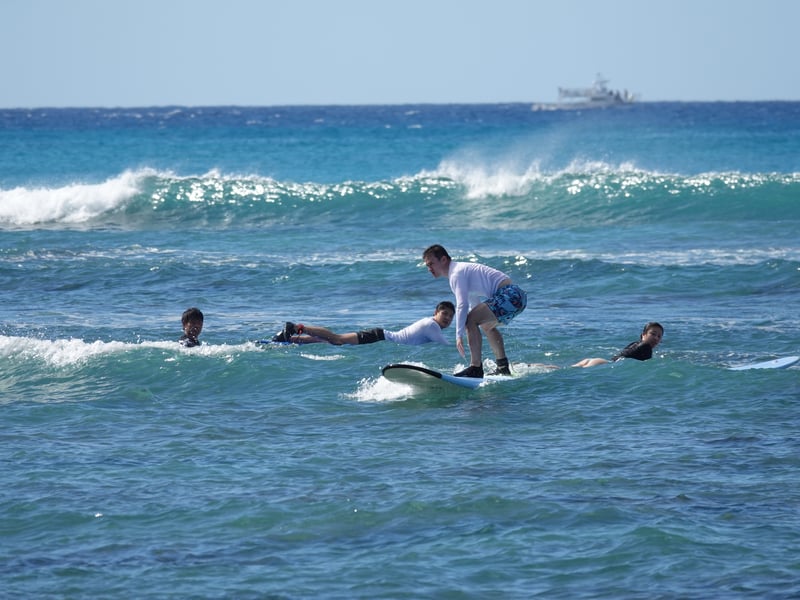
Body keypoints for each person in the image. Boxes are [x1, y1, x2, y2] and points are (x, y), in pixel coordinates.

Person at [422, 244, 527, 378]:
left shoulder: (456, 273)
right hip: (517, 297)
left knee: (470, 320)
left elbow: (462, 305)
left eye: (431, 264)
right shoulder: (460, 271)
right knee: (485, 325)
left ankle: (475, 367)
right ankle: (503, 367)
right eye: (427, 266)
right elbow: (474, 304)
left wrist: (459, 334)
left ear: (443, 259)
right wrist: (471, 325)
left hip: (510, 295)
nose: (429, 269)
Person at [270, 301, 455, 346]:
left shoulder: (429, 323)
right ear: (435, 313)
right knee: (337, 339)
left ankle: (291, 338)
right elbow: (445, 346)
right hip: (379, 337)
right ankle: (294, 328)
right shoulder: (432, 326)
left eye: (450, 316)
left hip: (380, 336)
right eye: (444, 314)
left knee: (335, 341)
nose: (447, 318)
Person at [572, 322, 664, 368]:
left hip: (597, 361)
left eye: (659, 336)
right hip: (602, 364)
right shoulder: (646, 347)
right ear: (643, 335)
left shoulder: (635, 344)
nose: (656, 338)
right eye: (653, 334)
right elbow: (646, 367)